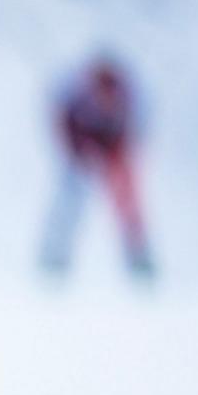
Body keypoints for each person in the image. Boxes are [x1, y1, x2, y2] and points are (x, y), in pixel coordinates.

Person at [40, 56, 156, 277]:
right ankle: (56, 252)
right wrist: (79, 153)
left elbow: (134, 135)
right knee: (70, 197)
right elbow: (64, 125)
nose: (105, 102)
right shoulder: (76, 99)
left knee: (127, 198)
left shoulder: (129, 102)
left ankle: (138, 257)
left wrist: (119, 160)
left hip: (115, 146)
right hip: (82, 144)